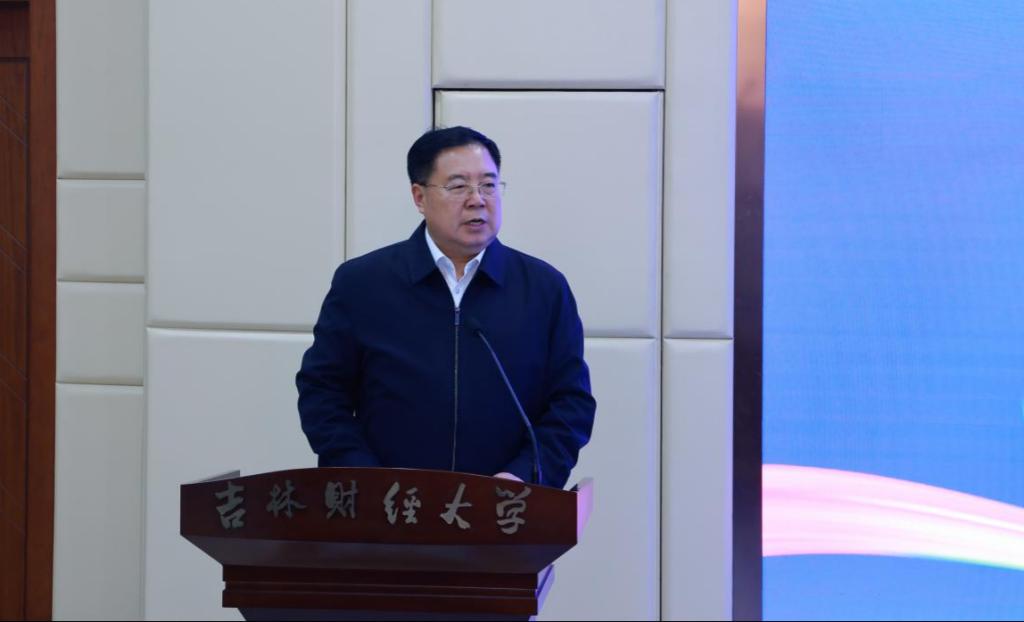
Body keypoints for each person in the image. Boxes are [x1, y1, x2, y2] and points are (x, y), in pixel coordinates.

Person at [296, 126, 595, 489]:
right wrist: (363, 476)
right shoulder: (362, 284)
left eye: (488, 185)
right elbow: (323, 393)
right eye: (458, 186)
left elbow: (571, 403)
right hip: (387, 505)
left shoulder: (544, 288)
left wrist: (523, 475)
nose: (477, 200)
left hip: (506, 506)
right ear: (419, 197)